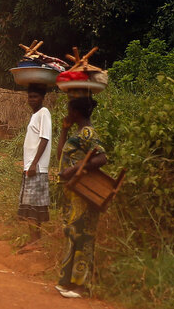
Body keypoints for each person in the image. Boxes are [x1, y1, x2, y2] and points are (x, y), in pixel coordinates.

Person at [55, 96, 108, 299]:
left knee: (83, 237)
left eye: (69, 110)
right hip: (72, 195)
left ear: (76, 112)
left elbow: (102, 157)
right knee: (72, 235)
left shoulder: (88, 133)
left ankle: (81, 287)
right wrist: (64, 130)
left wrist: (75, 169)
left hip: (83, 195)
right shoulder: (77, 133)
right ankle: (67, 282)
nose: (67, 113)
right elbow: (61, 156)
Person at [17, 85, 52, 248]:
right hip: (31, 166)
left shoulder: (44, 113)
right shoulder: (35, 115)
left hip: (36, 167)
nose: (32, 100)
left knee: (33, 205)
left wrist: (34, 164)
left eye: (35, 97)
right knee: (32, 204)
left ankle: (35, 240)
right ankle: (35, 239)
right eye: (30, 96)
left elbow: (44, 139)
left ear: (42, 98)